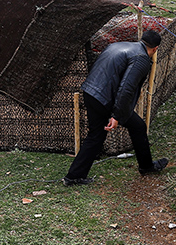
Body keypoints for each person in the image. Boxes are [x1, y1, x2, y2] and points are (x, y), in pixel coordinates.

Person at [64, 30, 169, 186]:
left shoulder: (119, 45)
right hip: (104, 98)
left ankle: (73, 177)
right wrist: (116, 116)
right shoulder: (141, 58)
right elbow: (126, 88)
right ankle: (147, 167)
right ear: (155, 49)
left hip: (90, 92)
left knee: (96, 135)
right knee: (138, 127)